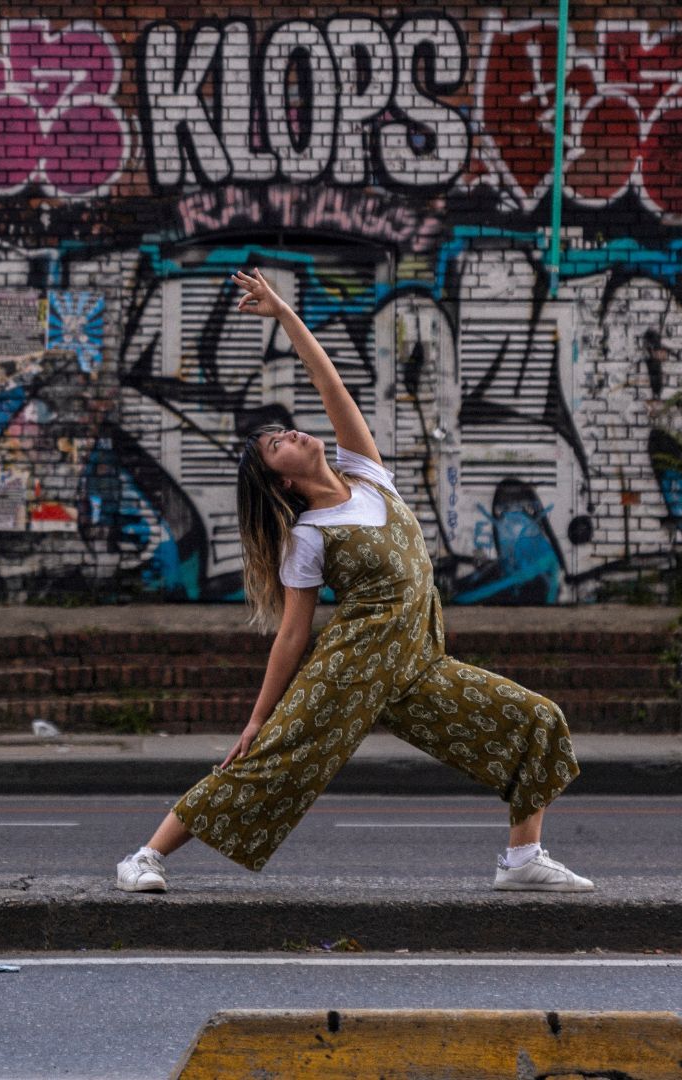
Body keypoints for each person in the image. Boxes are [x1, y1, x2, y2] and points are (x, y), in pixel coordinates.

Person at [114, 268, 593, 894]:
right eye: (272, 447)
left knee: (536, 720)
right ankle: (145, 857)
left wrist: (284, 312)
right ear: (281, 481)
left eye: (280, 431)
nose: (285, 434)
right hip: (349, 669)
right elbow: (293, 634)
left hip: (418, 664)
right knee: (271, 765)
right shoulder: (309, 534)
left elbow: (328, 379)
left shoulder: (368, 476)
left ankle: (522, 859)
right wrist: (260, 719)